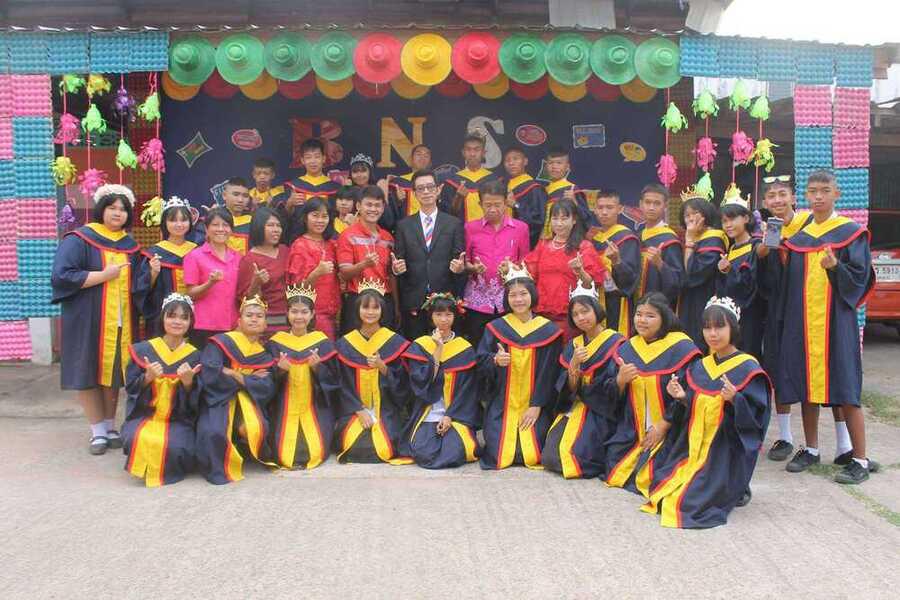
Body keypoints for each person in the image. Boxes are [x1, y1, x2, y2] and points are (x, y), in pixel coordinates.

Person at [779, 170, 877, 484]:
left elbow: (860, 278)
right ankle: (811, 449)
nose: (818, 196)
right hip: (804, 323)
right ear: (806, 196)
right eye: (813, 191)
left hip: (837, 323)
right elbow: (788, 285)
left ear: (837, 194)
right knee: (807, 386)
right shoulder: (799, 240)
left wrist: (836, 268)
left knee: (846, 387)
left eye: (824, 190)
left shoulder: (851, 233)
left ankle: (859, 459)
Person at [641, 297, 772, 528]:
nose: (713, 334)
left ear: (733, 328)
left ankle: (736, 485)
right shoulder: (701, 367)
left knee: (688, 504)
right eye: (707, 327)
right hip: (693, 449)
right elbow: (696, 410)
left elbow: (756, 424)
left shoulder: (748, 369)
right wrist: (683, 398)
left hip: (723, 453)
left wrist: (736, 400)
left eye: (719, 327)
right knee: (661, 487)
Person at [51, 184, 142, 455]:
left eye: (123, 209)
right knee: (88, 372)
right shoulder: (79, 239)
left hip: (121, 322)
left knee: (112, 375)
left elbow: (139, 286)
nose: (117, 213)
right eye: (112, 207)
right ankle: (97, 431)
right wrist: (104, 275)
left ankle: (110, 427)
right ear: (101, 209)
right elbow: (62, 276)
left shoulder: (131, 246)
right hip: (87, 319)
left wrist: (151, 274)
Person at [605, 292, 701, 496]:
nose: (642, 320)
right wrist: (620, 381)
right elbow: (609, 398)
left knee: (660, 474)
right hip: (633, 429)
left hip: (670, 428)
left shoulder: (682, 349)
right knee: (615, 463)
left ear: (664, 318)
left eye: (650, 316)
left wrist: (664, 425)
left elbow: (688, 395)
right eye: (639, 314)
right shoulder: (628, 348)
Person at [476, 268, 563, 470]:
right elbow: (480, 361)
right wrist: (494, 360)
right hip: (502, 403)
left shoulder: (549, 332)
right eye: (512, 295)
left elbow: (550, 374)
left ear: (532, 294)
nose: (518, 300)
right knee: (498, 451)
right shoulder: (496, 328)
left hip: (536, 403)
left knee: (530, 452)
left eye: (523, 294)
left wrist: (537, 405)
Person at [756, 175, 814, 462]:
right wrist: (763, 253)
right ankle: (785, 437)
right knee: (777, 368)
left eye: (782, 194)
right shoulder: (768, 232)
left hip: (806, 308)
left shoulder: (810, 226)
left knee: (810, 370)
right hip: (778, 310)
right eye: (771, 196)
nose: (777, 200)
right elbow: (764, 282)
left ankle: (830, 445)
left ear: (793, 197)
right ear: (764, 202)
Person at [543, 285, 625, 479]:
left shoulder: (617, 343)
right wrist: (573, 365)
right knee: (550, 458)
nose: (581, 318)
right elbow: (568, 390)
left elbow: (614, 390)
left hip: (601, 409)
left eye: (585, 311)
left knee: (575, 458)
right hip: (575, 406)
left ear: (597, 310)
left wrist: (588, 391)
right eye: (575, 314)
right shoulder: (574, 345)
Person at [195, 295, 276, 484]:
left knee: (256, 428)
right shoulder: (220, 342)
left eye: (259, 316)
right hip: (218, 400)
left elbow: (267, 386)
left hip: (247, 402)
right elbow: (211, 374)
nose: (254, 319)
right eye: (249, 315)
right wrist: (249, 380)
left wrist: (236, 375)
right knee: (214, 432)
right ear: (239, 321)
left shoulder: (263, 354)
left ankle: (240, 448)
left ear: (265, 324)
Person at [122, 293, 201, 487]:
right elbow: (131, 390)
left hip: (178, 419)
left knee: (176, 446)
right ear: (163, 318)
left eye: (184, 317)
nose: (177, 322)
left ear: (190, 322)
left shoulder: (196, 357)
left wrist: (188, 384)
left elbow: (197, 403)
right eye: (172, 316)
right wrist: (147, 378)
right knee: (136, 437)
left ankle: (159, 468)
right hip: (145, 415)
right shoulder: (143, 351)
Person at [333, 282, 413, 464]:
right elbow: (343, 385)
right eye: (365, 307)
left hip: (386, 409)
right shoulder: (345, 345)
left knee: (385, 445)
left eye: (375, 308)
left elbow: (403, 387)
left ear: (383, 311)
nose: (370, 312)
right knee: (354, 445)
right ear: (357, 310)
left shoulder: (394, 342)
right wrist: (359, 410)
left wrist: (383, 367)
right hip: (355, 410)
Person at [400, 293, 481, 469]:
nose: (443, 320)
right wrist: (438, 348)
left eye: (448, 314)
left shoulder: (464, 349)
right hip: (427, 412)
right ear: (430, 316)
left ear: (455, 316)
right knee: (424, 454)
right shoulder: (420, 346)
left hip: (456, 414)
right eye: (438, 314)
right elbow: (421, 383)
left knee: (454, 453)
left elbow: (467, 390)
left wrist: (450, 416)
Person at [267, 284, 340, 470]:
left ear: (312, 314)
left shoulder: (322, 343)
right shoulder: (275, 343)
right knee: (283, 451)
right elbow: (265, 382)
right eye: (294, 311)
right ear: (287, 313)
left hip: (314, 406)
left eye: (304, 312)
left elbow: (334, 382)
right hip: (283, 407)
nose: (299, 317)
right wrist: (279, 371)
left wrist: (318, 369)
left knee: (313, 450)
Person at [515, 198, 606, 340]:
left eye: (564, 219)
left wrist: (580, 271)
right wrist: (510, 269)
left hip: (570, 317)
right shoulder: (543, 246)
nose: (559, 223)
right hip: (541, 316)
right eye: (555, 218)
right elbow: (528, 274)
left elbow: (592, 283)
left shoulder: (583, 247)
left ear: (574, 220)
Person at [392, 170, 466, 340]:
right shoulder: (403, 225)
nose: (426, 192)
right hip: (414, 301)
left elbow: (459, 259)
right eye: (420, 188)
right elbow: (398, 261)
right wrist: (396, 269)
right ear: (414, 193)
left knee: (446, 350)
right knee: (416, 349)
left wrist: (460, 268)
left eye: (430, 187)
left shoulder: (453, 224)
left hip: (444, 302)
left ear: (438, 189)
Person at [460, 179, 530, 348]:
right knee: (479, 347)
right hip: (477, 301)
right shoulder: (470, 228)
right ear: (480, 204)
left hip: (509, 299)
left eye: (497, 205)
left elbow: (526, 263)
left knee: (507, 347)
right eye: (487, 205)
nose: (492, 209)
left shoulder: (520, 228)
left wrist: (512, 269)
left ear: (506, 203)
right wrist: (473, 268)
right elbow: (464, 262)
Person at [336, 185, 399, 333]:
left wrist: (396, 306)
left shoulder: (388, 238)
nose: (373, 209)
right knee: (355, 346)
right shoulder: (347, 235)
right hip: (357, 300)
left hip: (385, 299)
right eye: (368, 204)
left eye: (377, 205)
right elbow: (344, 273)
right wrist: (364, 264)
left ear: (383, 208)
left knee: (384, 345)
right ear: (358, 206)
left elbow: (391, 276)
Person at [137, 196, 198, 337]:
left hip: (195, 316)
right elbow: (141, 291)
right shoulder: (154, 254)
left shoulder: (197, 251)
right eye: (173, 220)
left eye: (183, 220)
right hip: (162, 315)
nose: (179, 224)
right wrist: (153, 273)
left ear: (190, 222)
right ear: (165, 223)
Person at [717, 189, 765, 358]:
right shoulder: (730, 249)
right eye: (724, 221)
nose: (728, 225)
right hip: (732, 315)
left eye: (732, 219)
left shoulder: (755, 246)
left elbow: (749, 284)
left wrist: (729, 270)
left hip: (750, 314)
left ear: (746, 218)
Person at [183, 207, 242, 348]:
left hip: (232, 325)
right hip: (203, 326)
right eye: (215, 225)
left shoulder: (238, 257)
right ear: (206, 228)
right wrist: (210, 283)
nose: (221, 229)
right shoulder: (194, 256)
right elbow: (190, 293)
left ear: (231, 229)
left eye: (225, 225)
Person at [679, 193, 728, 350]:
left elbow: (692, 273)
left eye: (695, 213)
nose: (691, 219)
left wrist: (689, 241)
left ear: (706, 214)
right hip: (690, 299)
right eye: (687, 215)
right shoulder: (698, 237)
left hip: (704, 296)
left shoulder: (713, 240)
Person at [286, 198, 340, 339]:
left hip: (333, 315)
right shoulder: (299, 245)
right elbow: (297, 290)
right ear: (305, 218)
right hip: (309, 317)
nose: (320, 220)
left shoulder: (332, 244)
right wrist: (316, 273)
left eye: (324, 216)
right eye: (315, 215)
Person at [590, 190, 641, 337]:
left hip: (617, 302)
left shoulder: (626, 238)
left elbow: (631, 279)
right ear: (595, 210)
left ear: (619, 209)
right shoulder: (594, 239)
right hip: (596, 300)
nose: (604, 212)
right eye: (600, 207)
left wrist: (617, 262)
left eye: (609, 207)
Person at [275, 138, 342, 244]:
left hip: (327, 240)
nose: (313, 161)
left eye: (317, 156)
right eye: (308, 157)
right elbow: (283, 219)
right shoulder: (293, 186)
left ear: (324, 158)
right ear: (302, 160)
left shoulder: (334, 188)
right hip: (299, 239)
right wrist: (289, 204)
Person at [236, 207, 289, 334]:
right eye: (270, 225)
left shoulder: (285, 251)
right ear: (259, 227)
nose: (276, 229)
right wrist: (256, 283)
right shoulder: (249, 259)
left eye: (278, 225)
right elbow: (246, 301)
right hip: (266, 324)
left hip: (291, 320)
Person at [635, 184, 683, 306]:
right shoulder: (637, 238)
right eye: (647, 202)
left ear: (665, 206)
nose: (651, 207)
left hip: (657, 307)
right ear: (640, 204)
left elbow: (677, 282)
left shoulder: (669, 240)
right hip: (635, 305)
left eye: (657, 203)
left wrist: (660, 264)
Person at [439, 132, 499, 222]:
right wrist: (458, 198)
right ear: (463, 153)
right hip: (462, 229)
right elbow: (448, 215)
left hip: (489, 229)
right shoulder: (453, 181)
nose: (472, 154)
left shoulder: (494, 180)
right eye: (468, 150)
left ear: (483, 153)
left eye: (477, 150)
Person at [541, 147, 594, 238]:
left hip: (567, 240)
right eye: (551, 163)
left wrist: (575, 203)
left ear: (567, 167)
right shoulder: (543, 191)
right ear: (546, 167)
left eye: (559, 163)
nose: (554, 166)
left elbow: (586, 218)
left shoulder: (572, 189)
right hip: (544, 239)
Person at [502, 146, 547, 248]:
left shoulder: (534, 189)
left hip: (525, 243)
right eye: (507, 160)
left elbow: (538, 220)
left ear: (525, 161)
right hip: (502, 242)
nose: (511, 163)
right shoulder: (501, 185)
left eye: (515, 159)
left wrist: (515, 205)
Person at [347, 153, 396, 234]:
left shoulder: (379, 189)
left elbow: (389, 222)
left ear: (370, 172)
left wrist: (384, 195)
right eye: (355, 172)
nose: (359, 175)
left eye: (363, 171)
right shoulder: (347, 192)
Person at [385, 143, 432, 219]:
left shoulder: (436, 183)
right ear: (411, 159)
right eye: (418, 154)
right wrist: (399, 201)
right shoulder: (399, 182)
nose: (422, 158)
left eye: (426, 156)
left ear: (430, 162)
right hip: (407, 224)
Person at [221, 177, 253, 255]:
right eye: (235, 194)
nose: (240, 200)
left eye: (245, 196)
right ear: (224, 195)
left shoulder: (254, 222)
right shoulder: (211, 221)